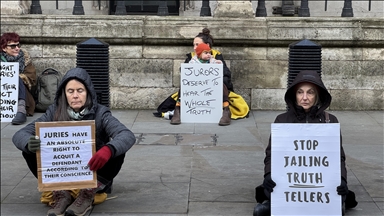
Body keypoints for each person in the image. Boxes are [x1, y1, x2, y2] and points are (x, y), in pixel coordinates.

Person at [12, 68, 136, 216]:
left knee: (117, 150)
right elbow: (20, 134)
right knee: (30, 149)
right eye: (70, 91)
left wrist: (108, 150)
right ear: (64, 93)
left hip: (92, 171)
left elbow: (126, 134)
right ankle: (61, 193)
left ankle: (88, 194)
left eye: (80, 90)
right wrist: (28, 142)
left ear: (88, 92)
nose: (75, 96)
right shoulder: (54, 111)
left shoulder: (100, 113)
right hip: (61, 173)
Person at [253, 70, 357, 216]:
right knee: (272, 187)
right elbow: (272, 154)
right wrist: (268, 175)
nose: (305, 98)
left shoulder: (330, 120)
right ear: (294, 95)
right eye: (300, 92)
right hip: (291, 177)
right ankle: (274, 204)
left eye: (310, 92)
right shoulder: (282, 120)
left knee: (336, 190)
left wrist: (342, 179)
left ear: (317, 95)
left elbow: (338, 156)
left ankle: (333, 205)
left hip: (319, 176)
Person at [171, 28, 233, 126]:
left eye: (197, 45)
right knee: (183, 85)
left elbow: (226, 76)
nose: (194, 48)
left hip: (213, 89)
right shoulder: (192, 58)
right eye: (194, 45)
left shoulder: (216, 57)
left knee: (221, 83)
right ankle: (178, 109)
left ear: (207, 46)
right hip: (195, 89)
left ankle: (226, 109)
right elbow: (185, 74)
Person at [1, 32, 37, 125]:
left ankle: (21, 109)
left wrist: (15, 77)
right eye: (13, 46)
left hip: (22, 93)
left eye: (18, 45)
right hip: (3, 93)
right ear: (4, 48)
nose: (17, 48)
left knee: (17, 78)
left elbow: (32, 78)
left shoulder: (25, 59)